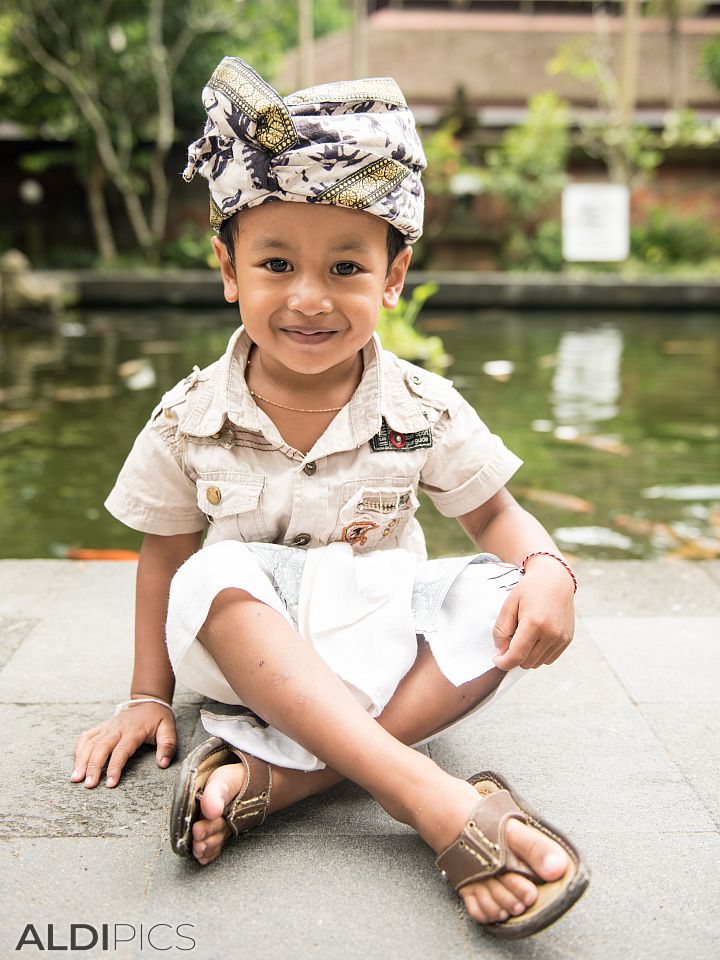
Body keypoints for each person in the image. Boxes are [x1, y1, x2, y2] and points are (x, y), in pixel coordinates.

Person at [70, 58, 588, 938]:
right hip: (242, 659)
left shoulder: (421, 407)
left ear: (392, 278)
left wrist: (547, 570)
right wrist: (147, 697)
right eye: (276, 263)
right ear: (228, 268)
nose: (309, 298)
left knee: (500, 596)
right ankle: (430, 796)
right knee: (210, 569)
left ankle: (286, 781)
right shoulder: (187, 420)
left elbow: (495, 516)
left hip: (377, 647)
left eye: (346, 266)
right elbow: (164, 559)